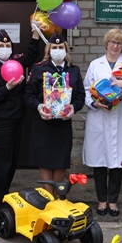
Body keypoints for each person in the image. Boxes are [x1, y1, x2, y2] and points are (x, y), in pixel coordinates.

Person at [82, 28, 122, 217]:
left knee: (119, 162)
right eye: (112, 42)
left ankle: (113, 201)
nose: (115, 46)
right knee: (100, 162)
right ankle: (102, 201)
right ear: (106, 43)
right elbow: (85, 90)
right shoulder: (95, 65)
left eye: (119, 43)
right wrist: (94, 103)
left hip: (121, 119)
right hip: (100, 118)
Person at [0, 27, 41, 209]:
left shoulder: (15, 62)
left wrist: (35, 36)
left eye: (8, 45)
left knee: (12, 161)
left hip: (16, 120)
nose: (5, 47)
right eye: (1, 45)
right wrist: (7, 88)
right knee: (1, 164)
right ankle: (0, 203)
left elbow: (30, 55)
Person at [24, 31, 85, 197]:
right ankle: (48, 197)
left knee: (60, 161)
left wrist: (73, 108)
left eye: (61, 47)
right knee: (44, 160)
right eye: (54, 47)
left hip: (63, 124)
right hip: (43, 123)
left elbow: (81, 96)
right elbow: (28, 95)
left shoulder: (74, 70)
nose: (58, 50)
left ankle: (58, 196)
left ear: (66, 49)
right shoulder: (39, 69)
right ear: (48, 50)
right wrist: (39, 106)